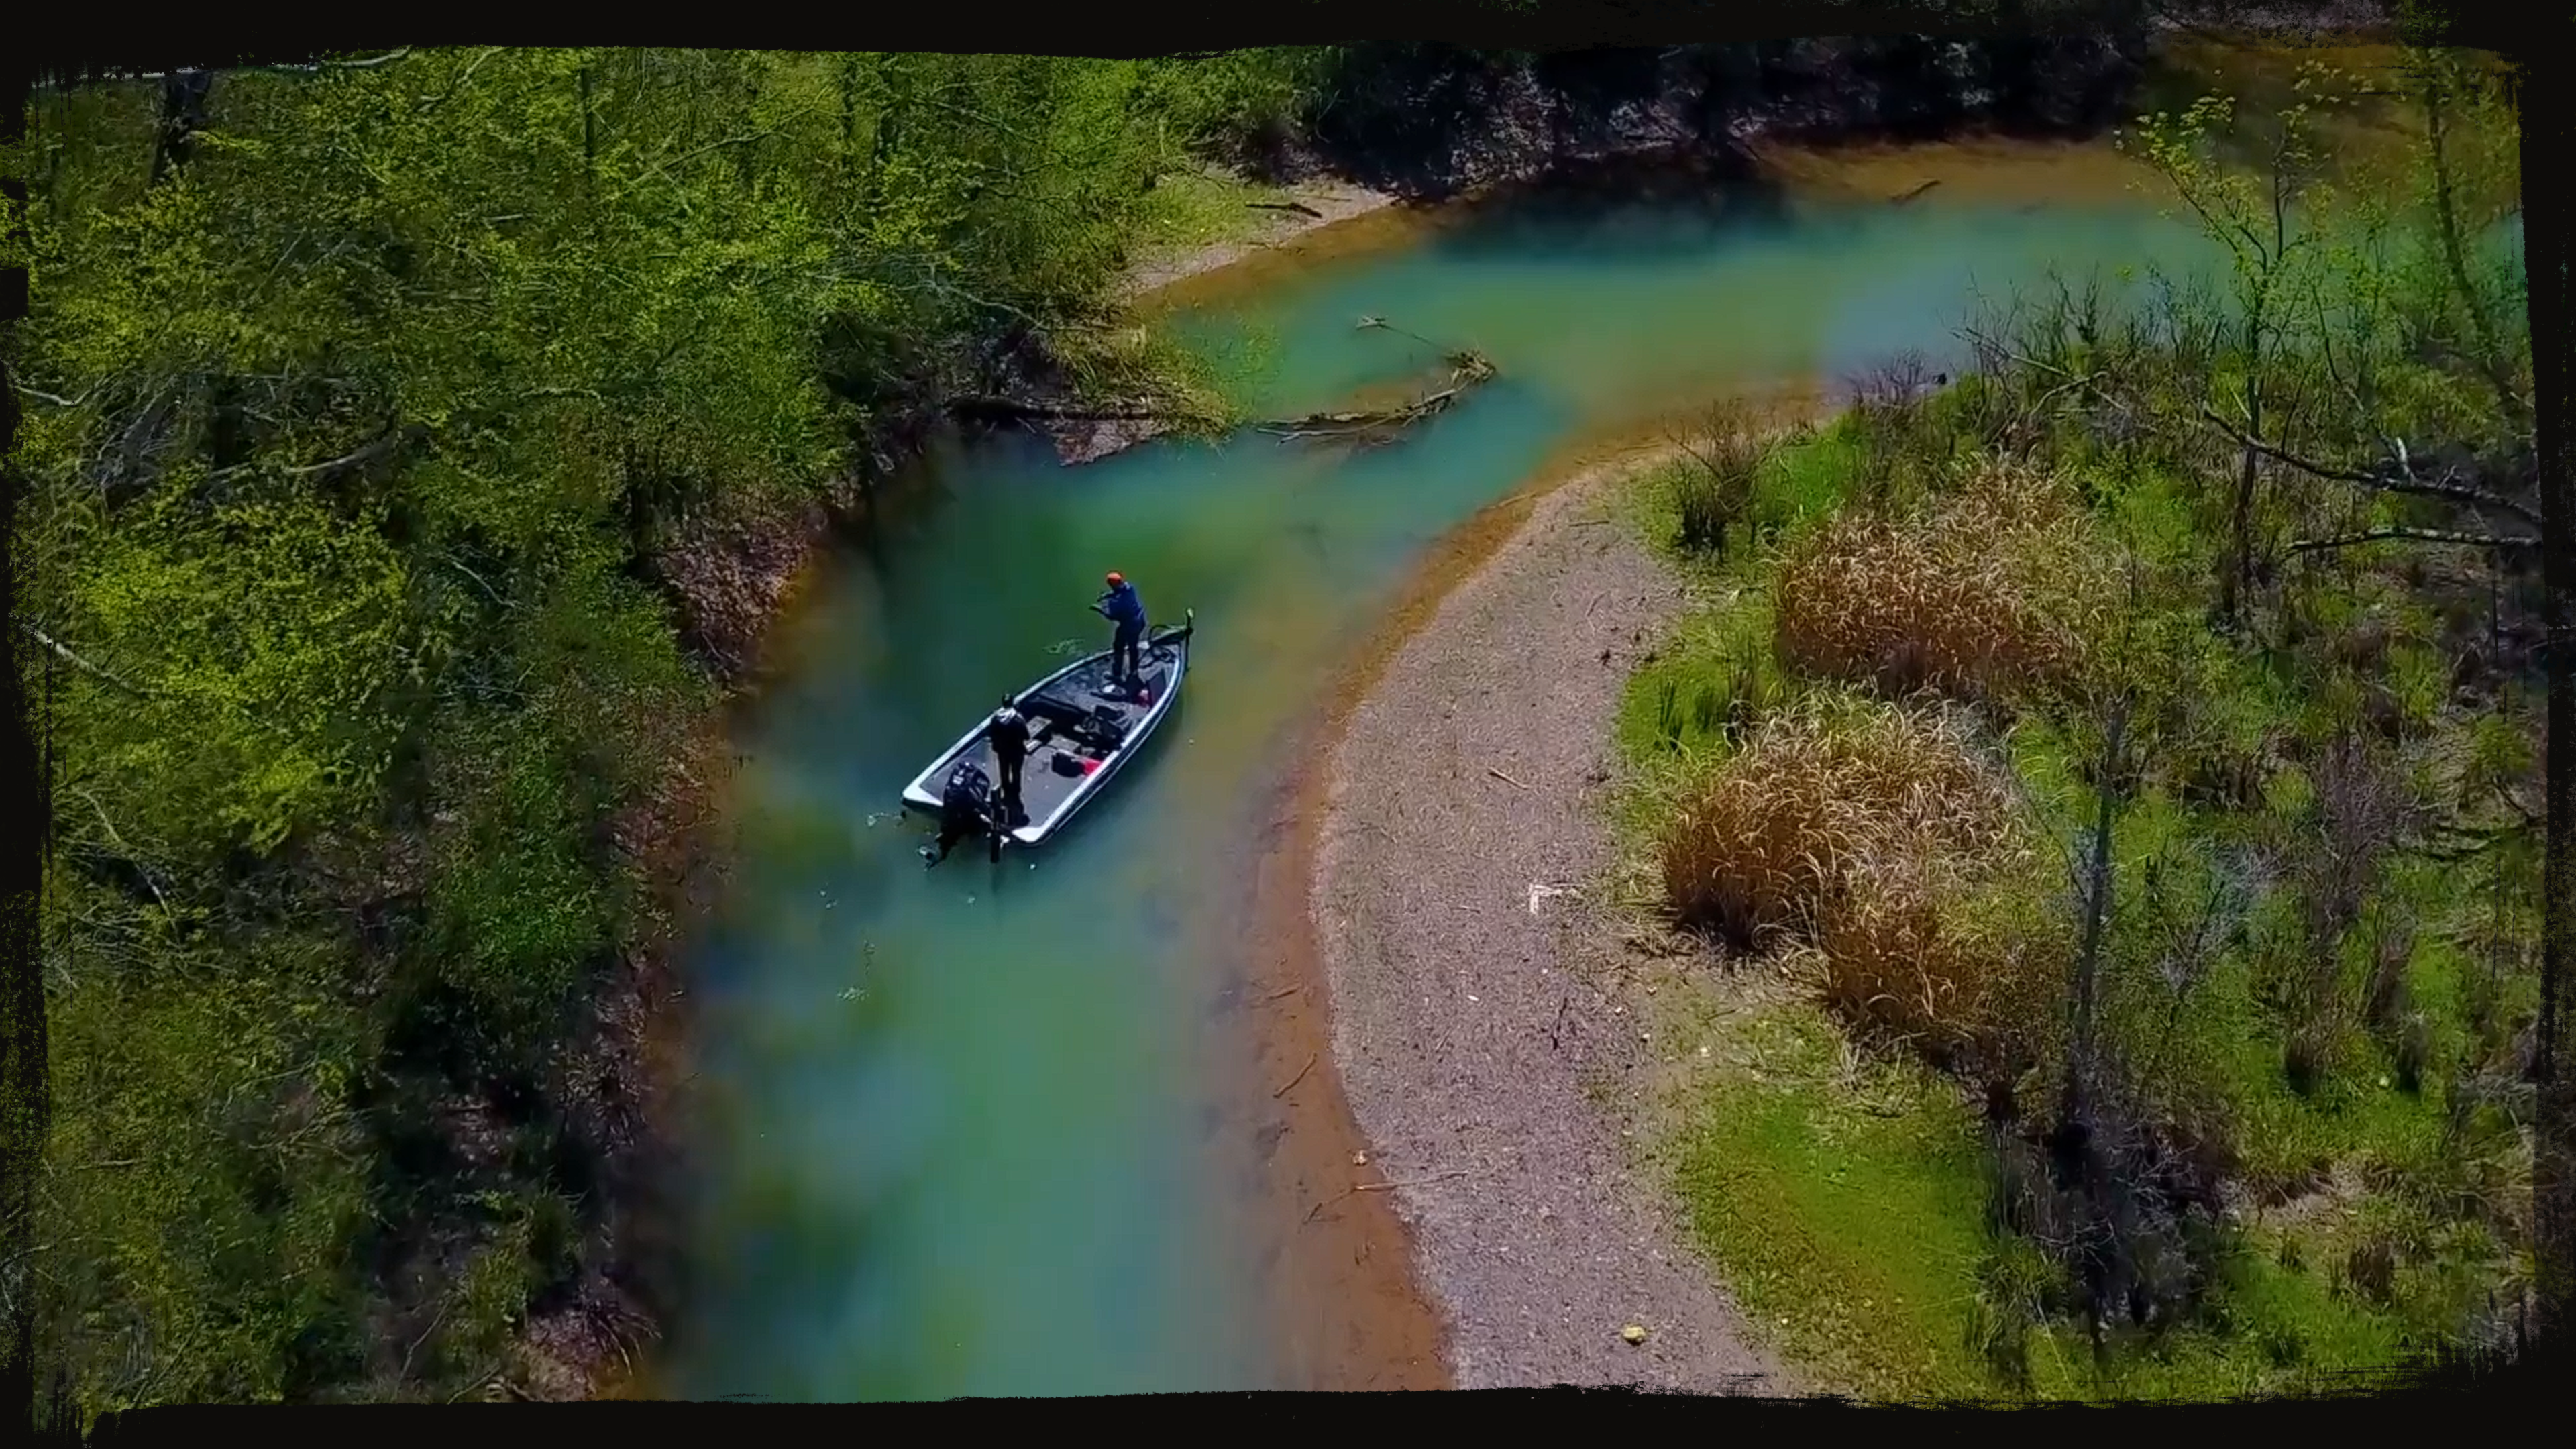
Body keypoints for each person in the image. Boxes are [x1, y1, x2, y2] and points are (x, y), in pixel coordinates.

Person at [924, 759, 994, 864]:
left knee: (951, 830)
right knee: (970, 827)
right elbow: (981, 807)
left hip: (952, 816)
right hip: (962, 818)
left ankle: (942, 849)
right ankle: (945, 850)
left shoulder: (955, 790)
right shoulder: (968, 793)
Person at [1095, 570, 1147, 690]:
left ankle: (1117, 675)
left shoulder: (1117, 603)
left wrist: (1099, 609)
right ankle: (1134, 672)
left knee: (1118, 647)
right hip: (1139, 620)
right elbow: (1120, 592)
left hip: (1129, 626)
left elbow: (1112, 616)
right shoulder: (1130, 588)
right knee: (1133, 648)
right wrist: (1108, 595)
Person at [987, 696, 1030, 827]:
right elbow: (1027, 736)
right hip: (1016, 751)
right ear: (1013, 703)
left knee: (1003, 770)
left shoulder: (995, 718)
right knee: (1016, 771)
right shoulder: (1018, 719)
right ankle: (1015, 792)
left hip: (1002, 750)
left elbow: (991, 733)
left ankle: (1006, 789)